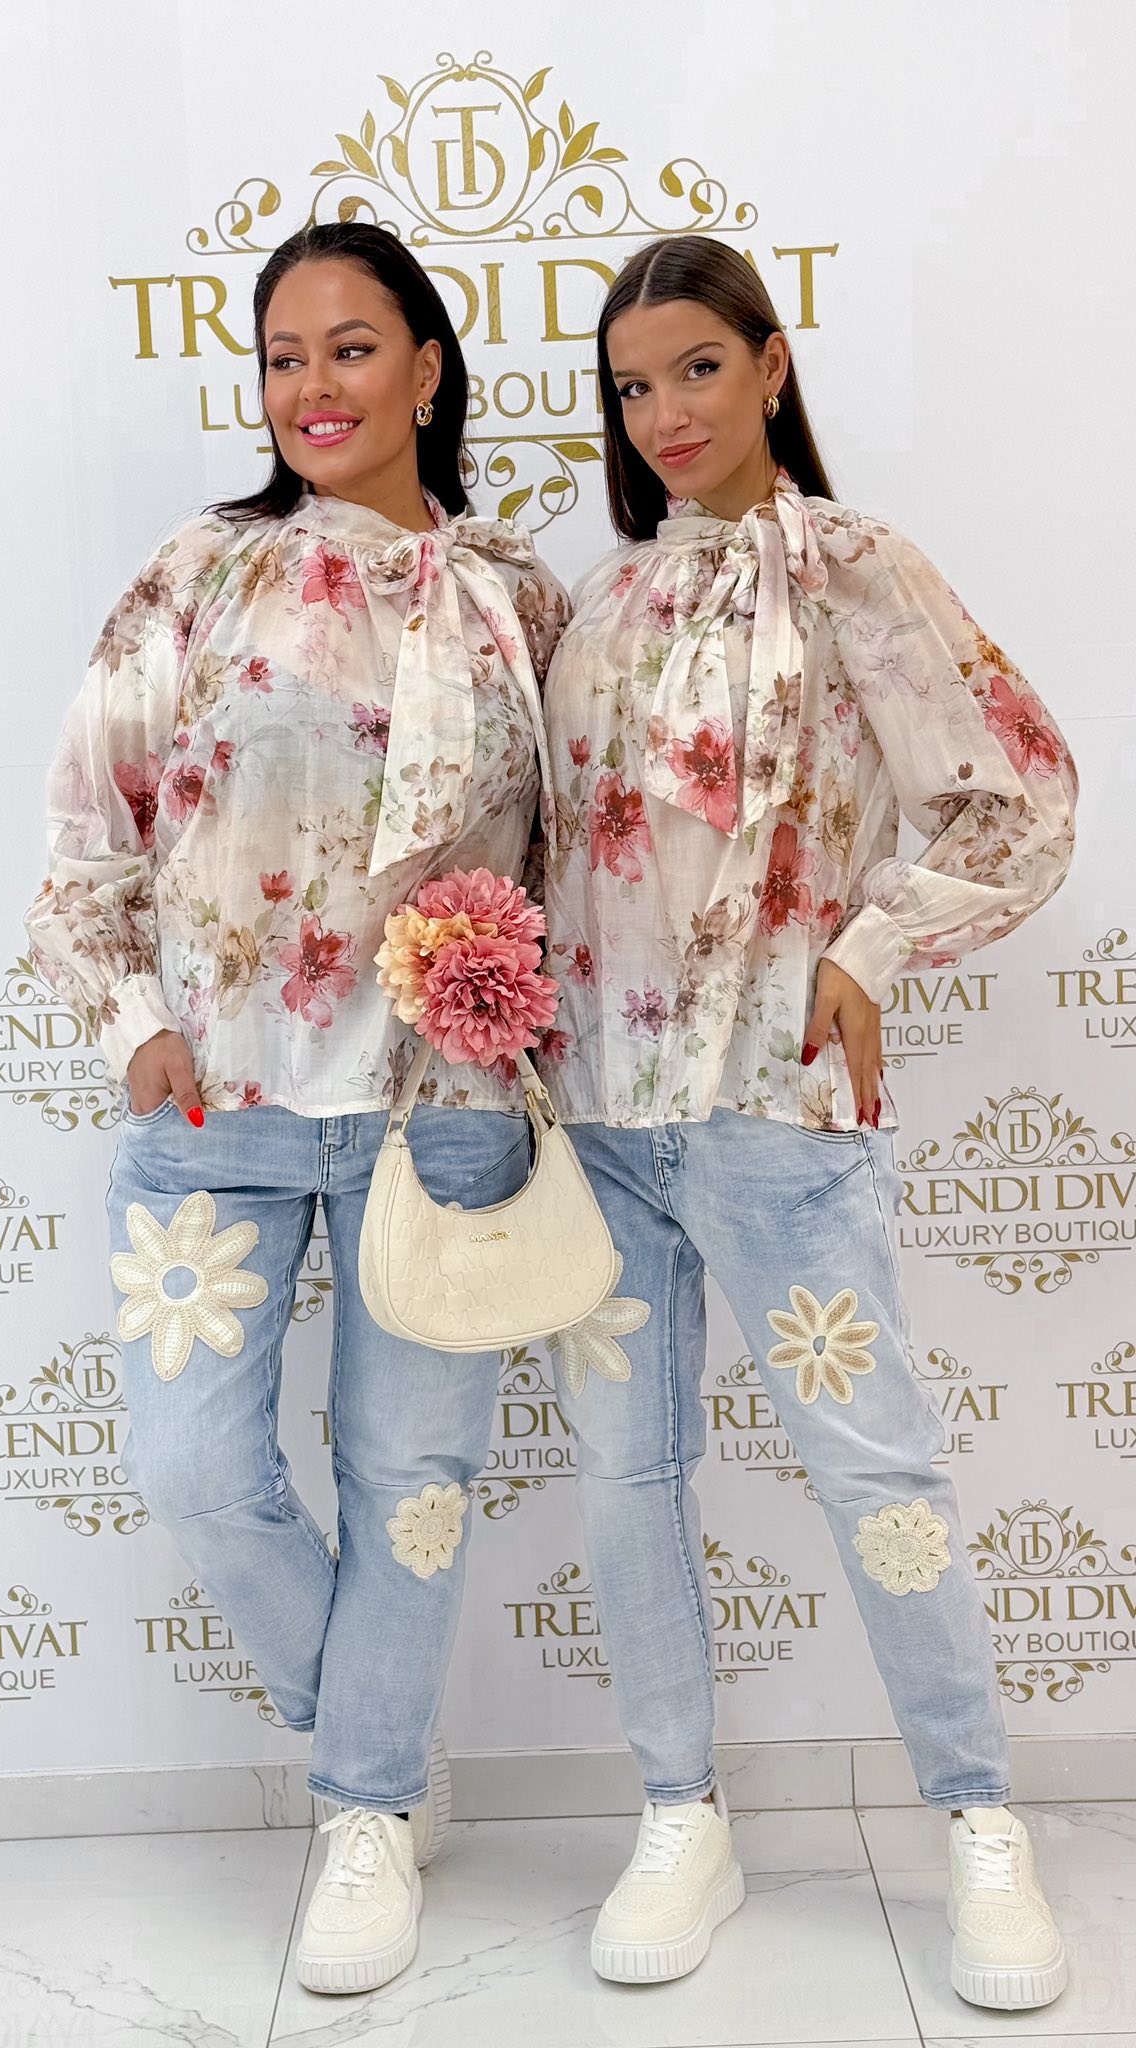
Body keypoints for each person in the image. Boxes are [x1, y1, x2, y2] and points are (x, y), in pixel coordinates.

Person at [25, 221, 569, 1997]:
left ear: (428, 366)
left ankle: (361, 1814)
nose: (313, 387)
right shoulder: (202, 570)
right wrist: (131, 1023)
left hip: (444, 1108)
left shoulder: (517, 596)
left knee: (412, 1483)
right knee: (191, 1463)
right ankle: (374, 1743)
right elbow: (85, 825)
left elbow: (576, 860)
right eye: (282, 356)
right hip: (223, 1099)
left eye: (351, 346)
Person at [540, 233, 1075, 2009]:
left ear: (771, 366)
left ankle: (978, 1819)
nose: (666, 413)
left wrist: (869, 944)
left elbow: (1016, 795)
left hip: (778, 1104)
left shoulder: (856, 567)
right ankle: (678, 1811)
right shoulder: (599, 602)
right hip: (600, 1120)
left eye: (698, 368)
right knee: (624, 1474)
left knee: (874, 1463)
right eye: (633, 386)